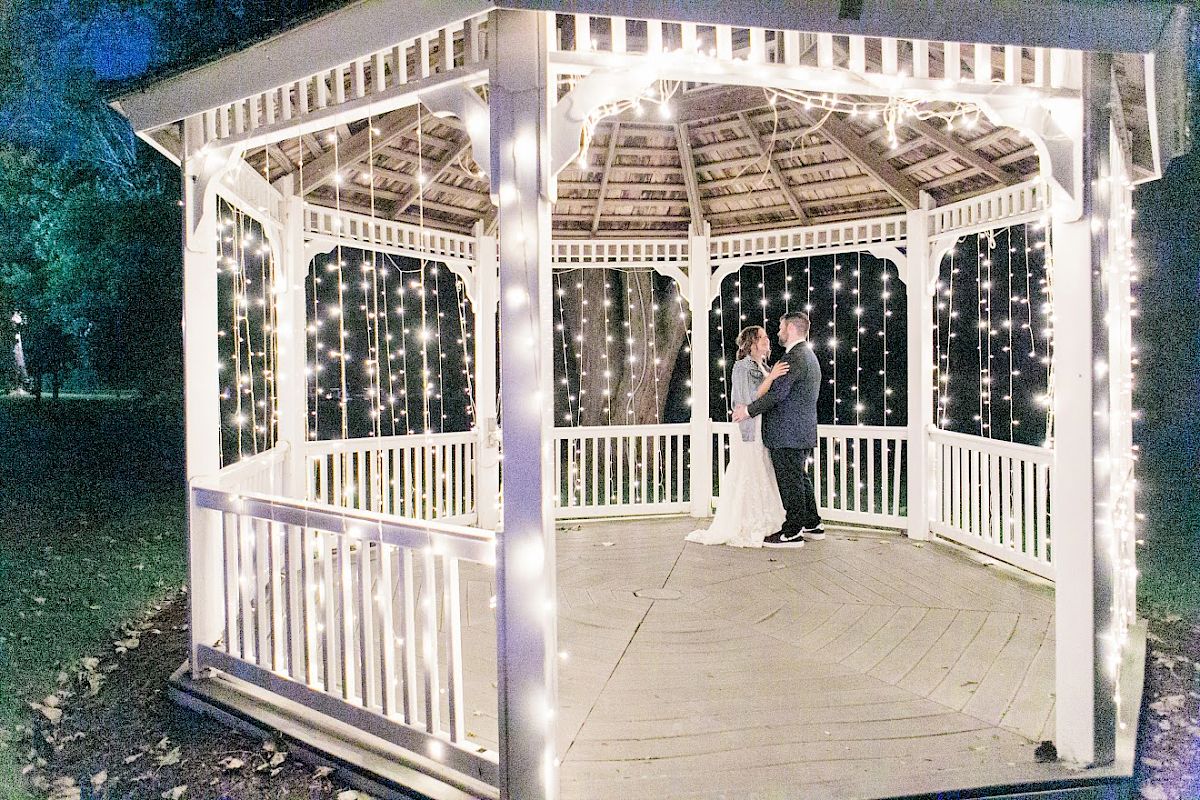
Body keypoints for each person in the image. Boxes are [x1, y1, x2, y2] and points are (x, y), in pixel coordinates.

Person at [687, 326, 790, 548]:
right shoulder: (742, 367)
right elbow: (749, 398)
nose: (767, 340)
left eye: (766, 336)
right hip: (749, 429)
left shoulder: (763, 366)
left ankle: (768, 521)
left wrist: (770, 375)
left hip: (763, 427)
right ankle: (746, 521)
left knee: (762, 470)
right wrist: (771, 378)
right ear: (751, 343)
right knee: (749, 471)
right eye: (761, 337)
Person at [732, 311, 823, 548]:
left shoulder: (793, 357)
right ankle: (813, 523)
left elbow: (777, 394)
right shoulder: (807, 355)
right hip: (799, 431)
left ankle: (792, 531)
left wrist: (748, 411)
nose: (778, 333)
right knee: (799, 478)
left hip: (788, 432)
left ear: (791, 329)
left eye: (781, 328)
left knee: (791, 481)